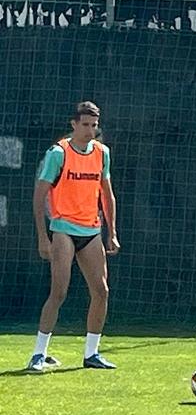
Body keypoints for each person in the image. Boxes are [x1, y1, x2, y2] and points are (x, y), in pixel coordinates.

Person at [28, 101, 121, 372]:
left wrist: (111, 232)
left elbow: (107, 194)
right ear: (73, 124)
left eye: (94, 125)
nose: (90, 130)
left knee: (101, 291)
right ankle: (38, 353)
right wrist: (43, 237)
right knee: (59, 292)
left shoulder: (102, 153)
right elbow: (39, 195)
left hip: (91, 230)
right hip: (64, 229)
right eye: (85, 125)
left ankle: (91, 353)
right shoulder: (59, 153)